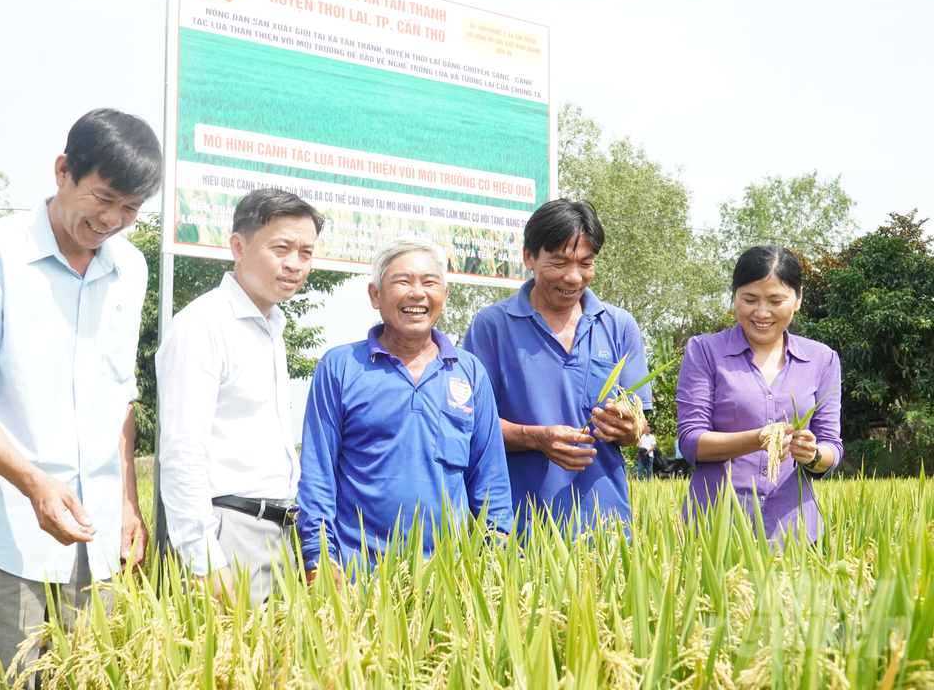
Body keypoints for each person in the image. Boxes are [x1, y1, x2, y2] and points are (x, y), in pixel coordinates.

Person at [0, 109, 162, 685]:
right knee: (2, 679)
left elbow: (120, 395)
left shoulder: (131, 268)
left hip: (97, 536)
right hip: (2, 530)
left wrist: (127, 504)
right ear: (63, 170)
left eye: (130, 209)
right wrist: (34, 483)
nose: (112, 220)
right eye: (103, 198)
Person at [297, 238, 513, 583]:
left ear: (444, 294)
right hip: (355, 576)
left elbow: (490, 480)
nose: (417, 293)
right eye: (402, 282)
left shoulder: (469, 372)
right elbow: (317, 473)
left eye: (429, 282)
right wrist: (318, 558)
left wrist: (497, 561)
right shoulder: (340, 367)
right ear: (375, 295)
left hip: (447, 581)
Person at [156, 188, 324, 604]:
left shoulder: (272, 326)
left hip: (276, 530)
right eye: (281, 248)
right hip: (226, 531)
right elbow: (182, 452)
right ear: (238, 246)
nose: (295, 264)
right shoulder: (204, 324)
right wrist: (205, 561)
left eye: (305, 252)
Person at [463, 199, 652, 534]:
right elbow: (475, 427)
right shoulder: (492, 326)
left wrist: (628, 428)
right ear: (528, 258)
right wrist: (537, 438)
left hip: (605, 525)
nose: (574, 276)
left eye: (586, 263)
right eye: (559, 262)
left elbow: (640, 427)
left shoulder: (620, 326)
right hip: (519, 526)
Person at [676, 245, 842, 543]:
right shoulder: (704, 350)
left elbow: (831, 447)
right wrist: (758, 440)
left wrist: (812, 455)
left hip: (794, 531)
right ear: (734, 295)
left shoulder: (823, 359)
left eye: (776, 300)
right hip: (716, 528)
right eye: (749, 299)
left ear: (798, 299)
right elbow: (691, 442)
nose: (762, 312)